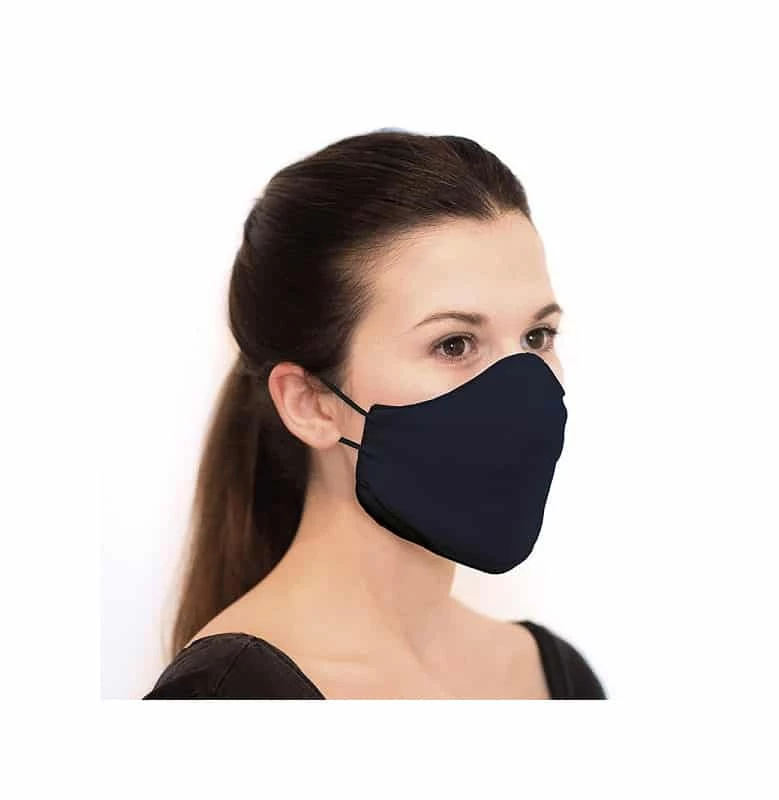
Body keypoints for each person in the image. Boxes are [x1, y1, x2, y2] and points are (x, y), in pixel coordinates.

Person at [142, 129, 606, 700]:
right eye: (454, 344)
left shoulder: (556, 677)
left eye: (538, 336)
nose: (524, 393)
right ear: (311, 403)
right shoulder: (225, 696)